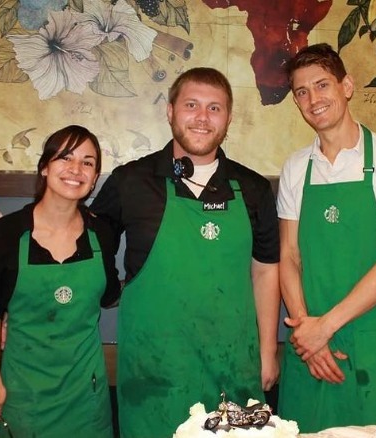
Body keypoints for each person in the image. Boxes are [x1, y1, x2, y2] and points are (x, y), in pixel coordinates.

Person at [90, 67, 281, 438]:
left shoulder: (253, 188)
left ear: (228, 117)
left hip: (233, 365)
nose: (202, 118)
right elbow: (91, 240)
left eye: (215, 108)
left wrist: (268, 351)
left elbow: (266, 270)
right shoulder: (131, 181)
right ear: (170, 110)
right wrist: (110, 290)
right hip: (154, 369)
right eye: (192, 105)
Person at [276, 43, 376, 432]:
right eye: (301, 92)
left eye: (322, 85)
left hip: (370, 341)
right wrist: (309, 331)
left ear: (347, 86)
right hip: (308, 345)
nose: (313, 99)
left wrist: (326, 327)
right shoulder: (295, 168)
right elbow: (288, 256)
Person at [0, 125, 121, 437]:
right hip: (22, 394)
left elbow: (110, 293)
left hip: (87, 394)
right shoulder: (4, 234)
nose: (76, 169)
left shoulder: (102, 234)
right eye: (65, 158)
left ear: (95, 177)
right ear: (45, 167)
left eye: (88, 162)